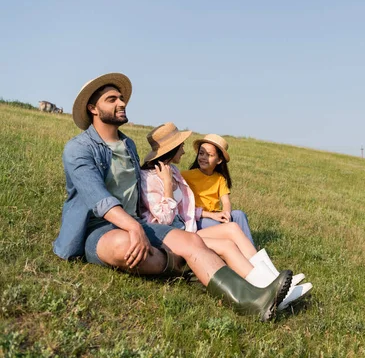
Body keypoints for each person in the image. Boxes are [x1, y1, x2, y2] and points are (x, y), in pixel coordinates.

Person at [52, 73, 291, 321]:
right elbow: (98, 198)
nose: (121, 103)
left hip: (139, 223)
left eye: (121, 98)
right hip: (98, 229)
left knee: (193, 242)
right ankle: (185, 267)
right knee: (126, 247)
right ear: (93, 108)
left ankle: (254, 300)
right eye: (111, 99)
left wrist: (142, 225)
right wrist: (133, 227)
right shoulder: (78, 149)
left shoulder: (128, 145)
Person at [139, 123, 312, 310]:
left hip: (186, 230)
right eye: (181, 146)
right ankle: (268, 291)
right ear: (171, 149)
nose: (184, 151)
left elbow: (185, 209)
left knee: (233, 227)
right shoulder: (149, 178)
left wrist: (209, 213)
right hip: (170, 237)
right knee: (227, 245)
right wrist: (166, 185)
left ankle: (273, 278)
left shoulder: (172, 171)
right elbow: (164, 219)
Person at [181, 134, 254, 245]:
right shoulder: (186, 176)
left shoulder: (219, 179)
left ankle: (252, 252)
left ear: (219, 160)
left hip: (216, 215)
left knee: (239, 214)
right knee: (220, 227)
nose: (203, 158)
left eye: (209, 155)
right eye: (201, 153)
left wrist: (226, 215)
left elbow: (226, 202)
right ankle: (237, 248)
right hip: (199, 218)